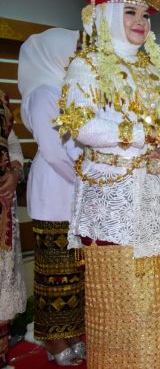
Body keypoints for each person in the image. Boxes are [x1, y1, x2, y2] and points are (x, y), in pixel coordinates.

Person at [56, 0, 160, 366]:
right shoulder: (87, 66)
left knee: (155, 301)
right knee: (120, 301)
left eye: (145, 14)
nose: (140, 22)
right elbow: (81, 127)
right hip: (111, 201)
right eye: (130, 12)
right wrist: (148, 133)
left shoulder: (153, 69)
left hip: (152, 195)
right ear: (107, 14)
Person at [18, 28, 85, 365]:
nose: (77, 59)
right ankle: (53, 339)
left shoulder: (66, 89)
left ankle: (70, 332)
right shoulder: (44, 92)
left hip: (73, 188)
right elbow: (56, 151)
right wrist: (88, 181)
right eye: (72, 53)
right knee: (54, 273)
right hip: (55, 189)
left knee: (72, 273)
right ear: (54, 55)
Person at [0, 90, 26, 369]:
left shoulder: (1, 99)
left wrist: (15, 171)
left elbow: (12, 142)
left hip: (3, 206)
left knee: (2, 280)